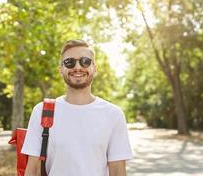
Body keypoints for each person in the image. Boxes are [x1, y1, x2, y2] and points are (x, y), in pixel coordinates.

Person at [21, 39, 133, 176]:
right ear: (61, 69)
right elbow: (33, 171)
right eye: (70, 62)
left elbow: (117, 172)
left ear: (94, 68)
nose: (78, 67)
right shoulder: (42, 111)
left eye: (85, 61)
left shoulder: (113, 115)